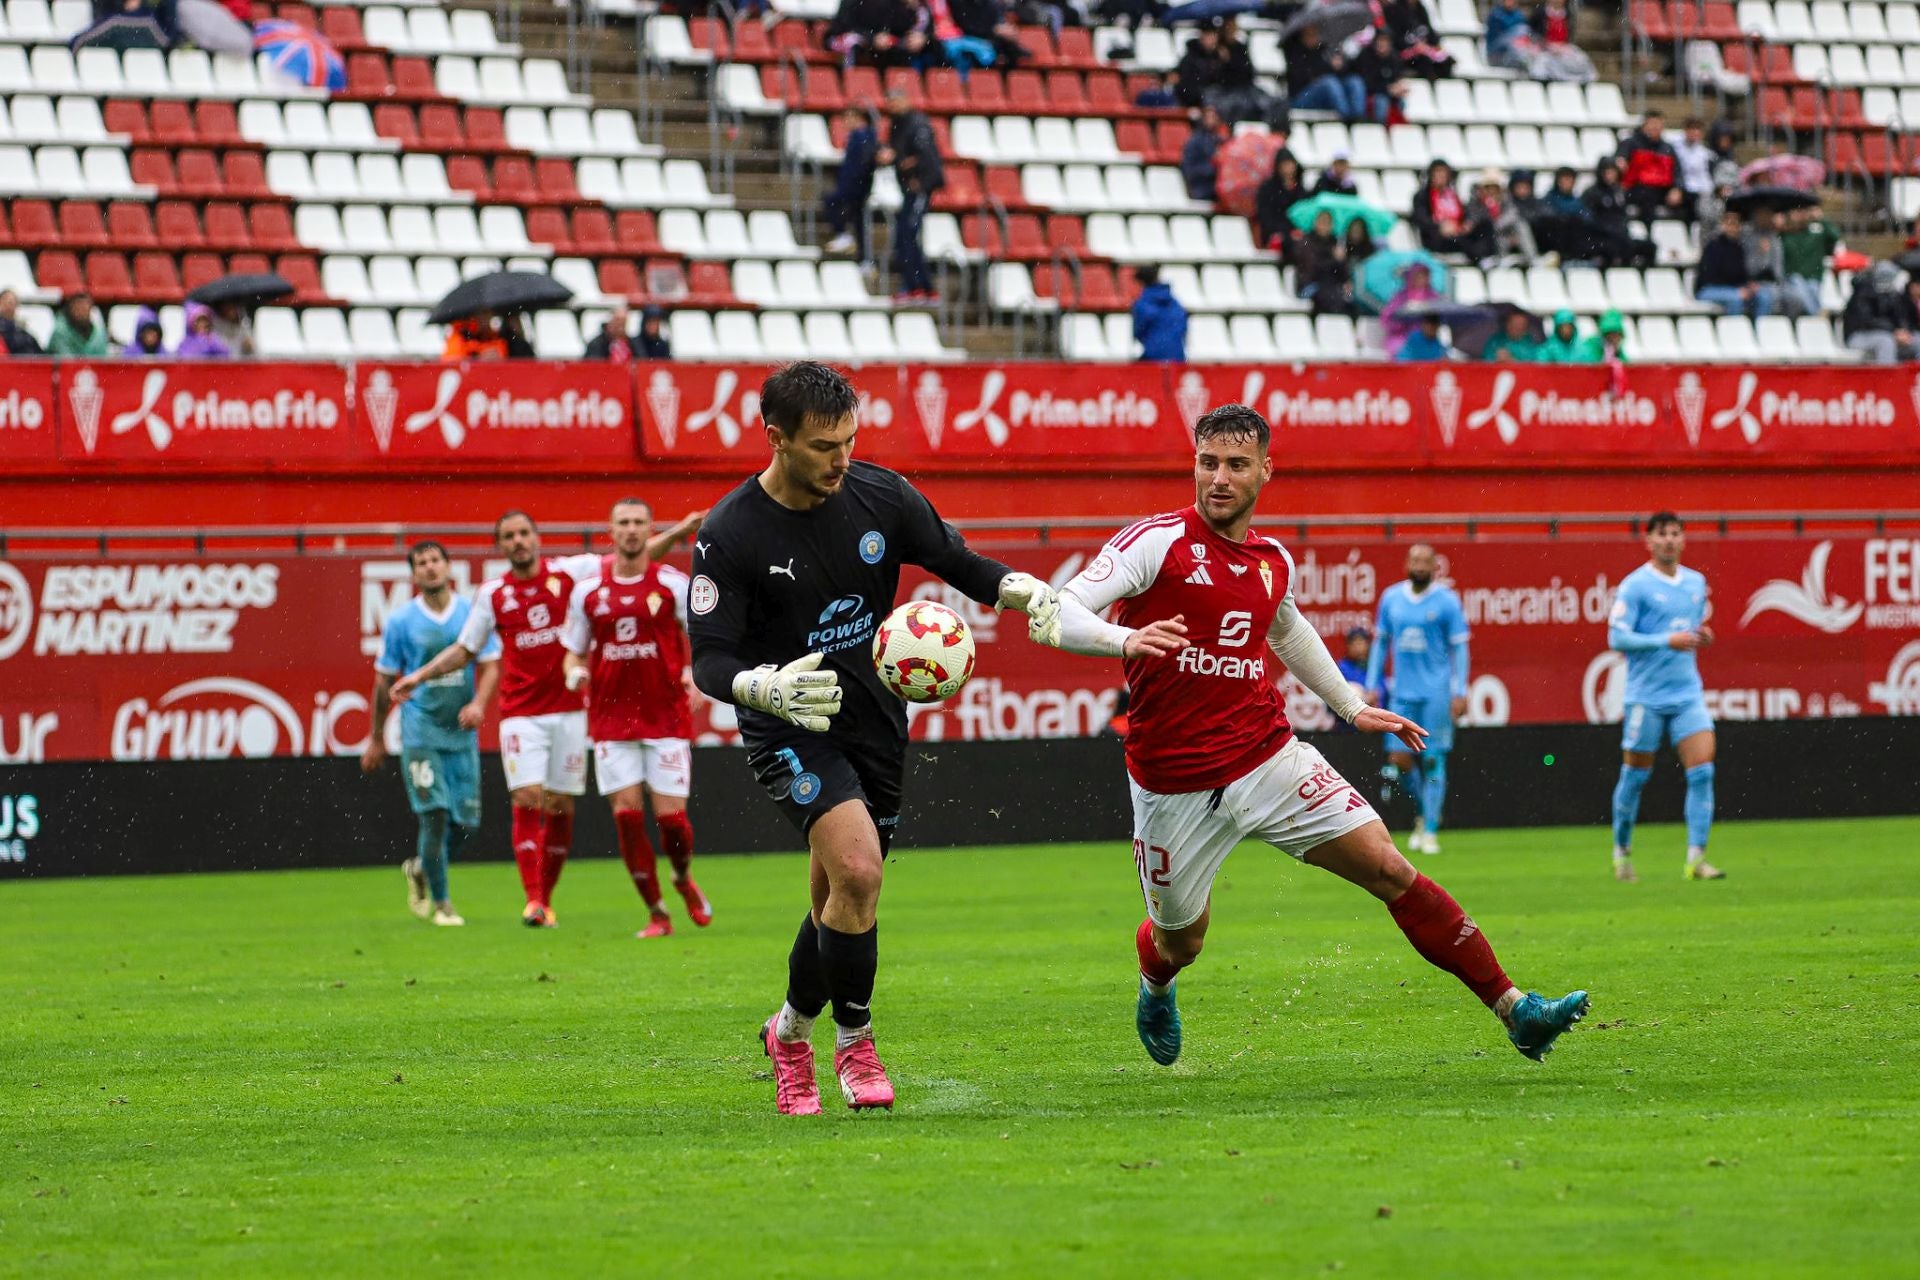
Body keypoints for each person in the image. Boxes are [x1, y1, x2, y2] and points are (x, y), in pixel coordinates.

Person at [1039, 403, 1588, 1068]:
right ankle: (1156, 987)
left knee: (1389, 866)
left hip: (1268, 756)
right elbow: (1059, 611)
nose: (1219, 477)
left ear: (1266, 470)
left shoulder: (1272, 561)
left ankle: (1516, 1011)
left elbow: (1287, 628)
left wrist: (1352, 707)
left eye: (1236, 465)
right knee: (1181, 940)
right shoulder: (1154, 543)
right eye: (1207, 462)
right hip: (1173, 784)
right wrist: (1126, 638)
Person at [686, 361, 1064, 1115]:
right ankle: (855, 1044)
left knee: (840, 898)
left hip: (877, 721)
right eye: (826, 445)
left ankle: (789, 1033)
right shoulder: (729, 533)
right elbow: (711, 658)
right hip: (791, 724)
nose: (843, 458)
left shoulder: (881, 496)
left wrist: (1016, 588)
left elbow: (955, 559)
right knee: (859, 873)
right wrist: (765, 686)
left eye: (851, 440)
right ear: (776, 440)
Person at [391, 514, 607, 927]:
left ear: (536, 538)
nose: (518, 541)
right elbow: (465, 649)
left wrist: (679, 534)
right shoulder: (494, 594)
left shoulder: (571, 572)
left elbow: (629, 562)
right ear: (500, 546)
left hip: (568, 710)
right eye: (508, 536)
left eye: (524, 533)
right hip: (521, 713)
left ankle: (546, 897)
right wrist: (418, 676)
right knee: (527, 797)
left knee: (560, 805)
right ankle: (532, 901)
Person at [561, 498, 712, 939]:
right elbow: (572, 649)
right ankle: (657, 913)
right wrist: (574, 672)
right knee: (626, 818)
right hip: (611, 720)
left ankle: (682, 878)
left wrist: (695, 677)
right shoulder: (587, 590)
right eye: (623, 522)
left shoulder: (671, 583)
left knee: (672, 824)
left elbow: (700, 638)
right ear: (611, 529)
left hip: (664, 716)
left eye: (638, 523)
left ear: (650, 530)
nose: (631, 530)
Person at [362, 540, 501, 928]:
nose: (429, 567)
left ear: (448, 566)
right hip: (420, 731)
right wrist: (375, 738)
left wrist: (479, 705)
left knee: (468, 825)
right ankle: (442, 904)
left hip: (461, 734)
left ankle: (421, 867)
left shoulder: (471, 612)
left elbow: (490, 665)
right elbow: (384, 680)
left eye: (435, 560)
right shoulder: (401, 621)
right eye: (421, 563)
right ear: (414, 574)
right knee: (435, 816)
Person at [1608, 512, 1723, 883]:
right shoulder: (1635, 586)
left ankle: (1696, 859)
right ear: (1650, 541)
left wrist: (1700, 637)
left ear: (1683, 540)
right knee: (1635, 777)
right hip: (1646, 697)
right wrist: (1665, 641)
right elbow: (1617, 639)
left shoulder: (1696, 583)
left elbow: (1685, 632)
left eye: (1676, 533)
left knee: (1703, 771)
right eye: (1663, 534)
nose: (1670, 540)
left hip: (1686, 693)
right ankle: (1622, 852)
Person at [1364, 545, 1469, 854]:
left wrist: (1460, 690)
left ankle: (1432, 829)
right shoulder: (1392, 598)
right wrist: (1372, 684)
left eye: (1426, 562)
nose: (1420, 566)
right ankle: (1424, 814)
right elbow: (1381, 643)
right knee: (1400, 760)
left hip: (1436, 692)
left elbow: (1460, 648)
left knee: (1434, 758)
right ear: (1407, 564)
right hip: (1402, 693)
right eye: (1415, 561)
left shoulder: (1447, 601)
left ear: (1435, 567)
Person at [880, 90, 943, 305]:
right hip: (911, 188)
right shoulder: (900, 124)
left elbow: (927, 156)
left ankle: (917, 286)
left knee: (907, 236)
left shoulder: (915, 124)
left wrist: (919, 179)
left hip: (918, 188)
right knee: (907, 237)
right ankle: (921, 287)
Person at [823, 105, 880, 262]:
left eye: (848, 118)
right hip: (858, 184)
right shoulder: (865, 135)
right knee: (859, 222)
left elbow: (863, 162)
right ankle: (865, 260)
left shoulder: (861, 136)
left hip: (855, 185)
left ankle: (843, 236)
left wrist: (854, 182)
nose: (845, 122)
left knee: (832, 201)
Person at [1284, 22, 1371, 123]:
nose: (1314, 37)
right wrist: (1325, 69)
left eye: (1316, 34)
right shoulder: (1295, 53)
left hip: (1326, 96)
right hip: (1301, 97)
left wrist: (1338, 67)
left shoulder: (1323, 51)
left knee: (1354, 81)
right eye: (1310, 34)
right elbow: (1300, 78)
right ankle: (1348, 119)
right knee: (1329, 83)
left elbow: (1341, 76)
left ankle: (1358, 116)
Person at [1695, 209, 1775, 318]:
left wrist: (1749, 284)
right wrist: (1738, 290)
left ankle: (1758, 330)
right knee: (1736, 299)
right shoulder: (1713, 246)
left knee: (1764, 296)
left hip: (1734, 289)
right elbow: (1710, 277)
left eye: (1736, 223)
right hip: (1709, 289)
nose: (1733, 227)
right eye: (1730, 223)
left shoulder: (1739, 247)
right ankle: (1734, 333)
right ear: (1723, 225)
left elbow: (1742, 274)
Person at [1410, 161, 1494, 260]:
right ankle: (1480, 259)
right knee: (1463, 242)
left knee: (1486, 225)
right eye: (1437, 172)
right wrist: (1439, 226)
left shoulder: (1452, 194)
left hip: (1458, 231)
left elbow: (1463, 213)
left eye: (1443, 172)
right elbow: (1419, 218)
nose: (1441, 175)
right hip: (1438, 236)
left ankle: (1488, 257)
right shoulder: (1423, 196)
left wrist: (1468, 223)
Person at [1578, 160, 1656, 267]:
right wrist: (1610, 230)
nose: (1610, 176)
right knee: (1615, 248)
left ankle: (1641, 276)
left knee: (1649, 247)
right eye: (1607, 172)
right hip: (1601, 238)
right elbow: (1588, 220)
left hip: (1621, 236)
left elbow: (1622, 216)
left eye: (1612, 172)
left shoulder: (1618, 192)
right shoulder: (1591, 193)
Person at [1618, 111, 1690, 223]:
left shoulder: (1668, 148)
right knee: (1647, 194)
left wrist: (1677, 189)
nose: (1655, 127)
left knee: (1690, 198)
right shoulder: (1630, 144)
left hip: (1661, 189)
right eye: (1652, 124)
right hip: (1637, 188)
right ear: (1644, 125)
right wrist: (1621, 162)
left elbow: (1677, 171)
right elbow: (1620, 160)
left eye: (1659, 124)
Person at [1840, 261, 1916, 363]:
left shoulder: (1893, 294)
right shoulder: (1862, 294)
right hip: (1858, 335)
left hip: (1889, 333)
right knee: (1885, 341)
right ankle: (1888, 377)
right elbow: (1866, 321)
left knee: (1916, 340)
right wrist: (1894, 332)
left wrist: (1904, 331)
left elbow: (1900, 316)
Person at [825, 0, 926, 69]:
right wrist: (872, 38)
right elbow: (844, 26)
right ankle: (849, 82)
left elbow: (900, 27)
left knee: (905, 47)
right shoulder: (852, 2)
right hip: (844, 39)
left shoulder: (893, 4)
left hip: (879, 48)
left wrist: (920, 36)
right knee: (851, 41)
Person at [1779, 203, 1838, 318]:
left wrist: (1822, 219)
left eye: (1803, 211)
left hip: (1813, 278)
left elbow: (1834, 238)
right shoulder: (1784, 234)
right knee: (1797, 283)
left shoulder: (1817, 231)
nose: (1799, 215)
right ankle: (1817, 316)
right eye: (1796, 211)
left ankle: (1814, 317)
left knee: (1810, 288)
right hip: (1789, 280)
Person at [1468, 167, 1538, 264]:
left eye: (1494, 187)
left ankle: (1532, 258)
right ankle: (1500, 259)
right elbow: (1481, 223)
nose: (1491, 191)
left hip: (1505, 233)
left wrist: (1510, 235)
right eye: (1488, 187)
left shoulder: (1505, 200)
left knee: (1521, 225)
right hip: (1489, 238)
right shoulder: (1476, 203)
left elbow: (1512, 216)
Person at [1293, 209, 1353, 315]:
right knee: (1329, 298)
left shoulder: (1336, 244)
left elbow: (1343, 275)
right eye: (1321, 222)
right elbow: (1313, 269)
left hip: (1331, 287)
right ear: (1315, 223)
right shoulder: (1306, 242)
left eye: (1327, 223)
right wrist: (1335, 260)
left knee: (1348, 300)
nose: (1324, 226)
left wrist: (1341, 261)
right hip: (1309, 285)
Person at [1523, 0, 1595, 81]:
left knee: (1581, 59)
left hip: (1562, 47)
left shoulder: (1568, 14)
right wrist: (1543, 44)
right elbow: (1531, 32)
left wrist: (1562, 47)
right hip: (1543, 47)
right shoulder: (1539, 13)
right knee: (1543, 61)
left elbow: (1568, 36)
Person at [1380, 260, 1441, 356]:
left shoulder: (1434, 296)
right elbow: (1387, 318)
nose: (1422, 279)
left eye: (1425, 275)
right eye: (1419, 275)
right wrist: (1403, 319)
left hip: (1427, 338)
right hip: (1402, 336)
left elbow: (1438, 317)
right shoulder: (1400, 296)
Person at [1253, 148, 1308, 252]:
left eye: (1290, 164)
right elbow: (1266, 217)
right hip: (1278, 235)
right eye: (1284, 165)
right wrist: (1286, 231)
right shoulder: (1267, 189)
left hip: (1298, 235)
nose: (1287, 168)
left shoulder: (1301, 190)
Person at [1381, 0, 1453, 79]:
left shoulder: (1421, 8)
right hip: (1405, 54)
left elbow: (1429, 31)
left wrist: (1434, 44)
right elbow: (1395, 37)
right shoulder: (1392, 10)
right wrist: (1413, 46)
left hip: (1422, 48)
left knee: (1446, 61)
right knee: (1424, 62)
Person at [1131, 265, 1188, 361]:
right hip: (1178, 358)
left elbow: (1138, 333)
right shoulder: (1175, 303)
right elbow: (1183, 327)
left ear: (1141, 282)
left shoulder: (1142, 304)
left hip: (1153, 359)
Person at [1352, 28, 1409, 122]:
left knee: (1401, 102)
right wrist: (1388, 89)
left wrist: (1398, 87)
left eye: (1385, 41)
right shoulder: (1366, 56)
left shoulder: (1394, 58)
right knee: (1381, 101)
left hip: (1387, 94)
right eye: (1380, 40)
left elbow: (1395, 78)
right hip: (1369, 96)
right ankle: (1380, 130)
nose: (1382, 44)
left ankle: (1395, 130)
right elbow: (1365, 84)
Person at [1179, 104, 1229, 202]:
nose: (1211, 120)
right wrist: (1214, 166)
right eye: (1208, 117)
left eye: (1214, 117)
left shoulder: (1222, 141)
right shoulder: (1194, 141)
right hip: (1201, 189)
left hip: (1219, 189)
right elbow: (1189, 170)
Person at [47, 290, 109, 357]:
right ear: (70, 308)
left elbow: (102, 360)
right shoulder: (60, 331)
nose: (81, 312)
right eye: (78, 308)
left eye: (84, 308)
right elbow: (66, 362)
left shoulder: (98, 332)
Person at [443, 312, 508, 361]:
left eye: (488, 313)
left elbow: (505, 357)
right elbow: (452, 361)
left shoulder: (494, 336)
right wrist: (478, 359)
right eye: (482, 313)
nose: (485, 317)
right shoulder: (459, 335)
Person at [0, 289, 41, 354]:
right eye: (6, 302)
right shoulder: (7, 331)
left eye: (12, 302)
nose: (9, 306)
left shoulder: (22, 331)